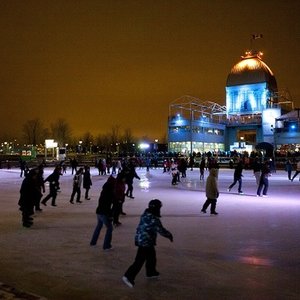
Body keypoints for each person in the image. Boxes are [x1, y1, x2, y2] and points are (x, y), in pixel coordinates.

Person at [122, 199, 173, 288]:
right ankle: (128, 276)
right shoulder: (153, 218)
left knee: (151, 257)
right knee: (140, 260)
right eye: (159, 207)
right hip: (145, 242)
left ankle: (151, 272)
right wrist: (169, 235)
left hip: (142, 239)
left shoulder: (146, 214)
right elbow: (161, 230)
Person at [90, 176, 116, 250]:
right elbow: (108, 204)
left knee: (99, 226)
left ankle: (93, 242)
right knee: (109, 228)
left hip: (99, 211)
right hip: (104, 212)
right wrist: (110, 215)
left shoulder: (104, 190)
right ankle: (106, 245)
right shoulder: (110, 192)